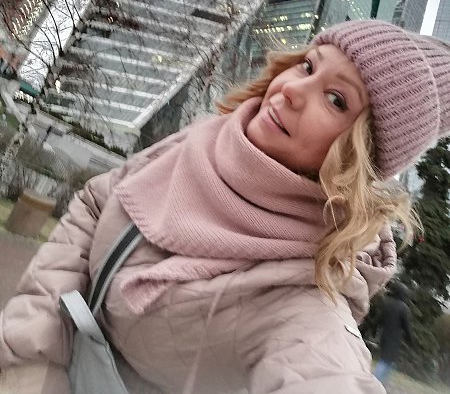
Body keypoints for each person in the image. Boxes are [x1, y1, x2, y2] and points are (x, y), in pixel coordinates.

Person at [0, 19, 448, 394]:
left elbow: (323, 366)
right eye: (308, 66)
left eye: (336, 100)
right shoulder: (204, 139)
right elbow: (99, 201)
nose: (293, 90)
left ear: (359, 154)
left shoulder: (306, 289)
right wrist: (32, 368)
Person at [373, 281, 413, 385]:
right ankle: (373, 382)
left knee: (388, 361)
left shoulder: (387, 304)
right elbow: (406, 327)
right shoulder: (403, 308)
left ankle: (381, 384)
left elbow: (378, 320)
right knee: (385, 361)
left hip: (384, 336)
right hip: (394, 339)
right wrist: (411, 340)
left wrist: (374, 332)